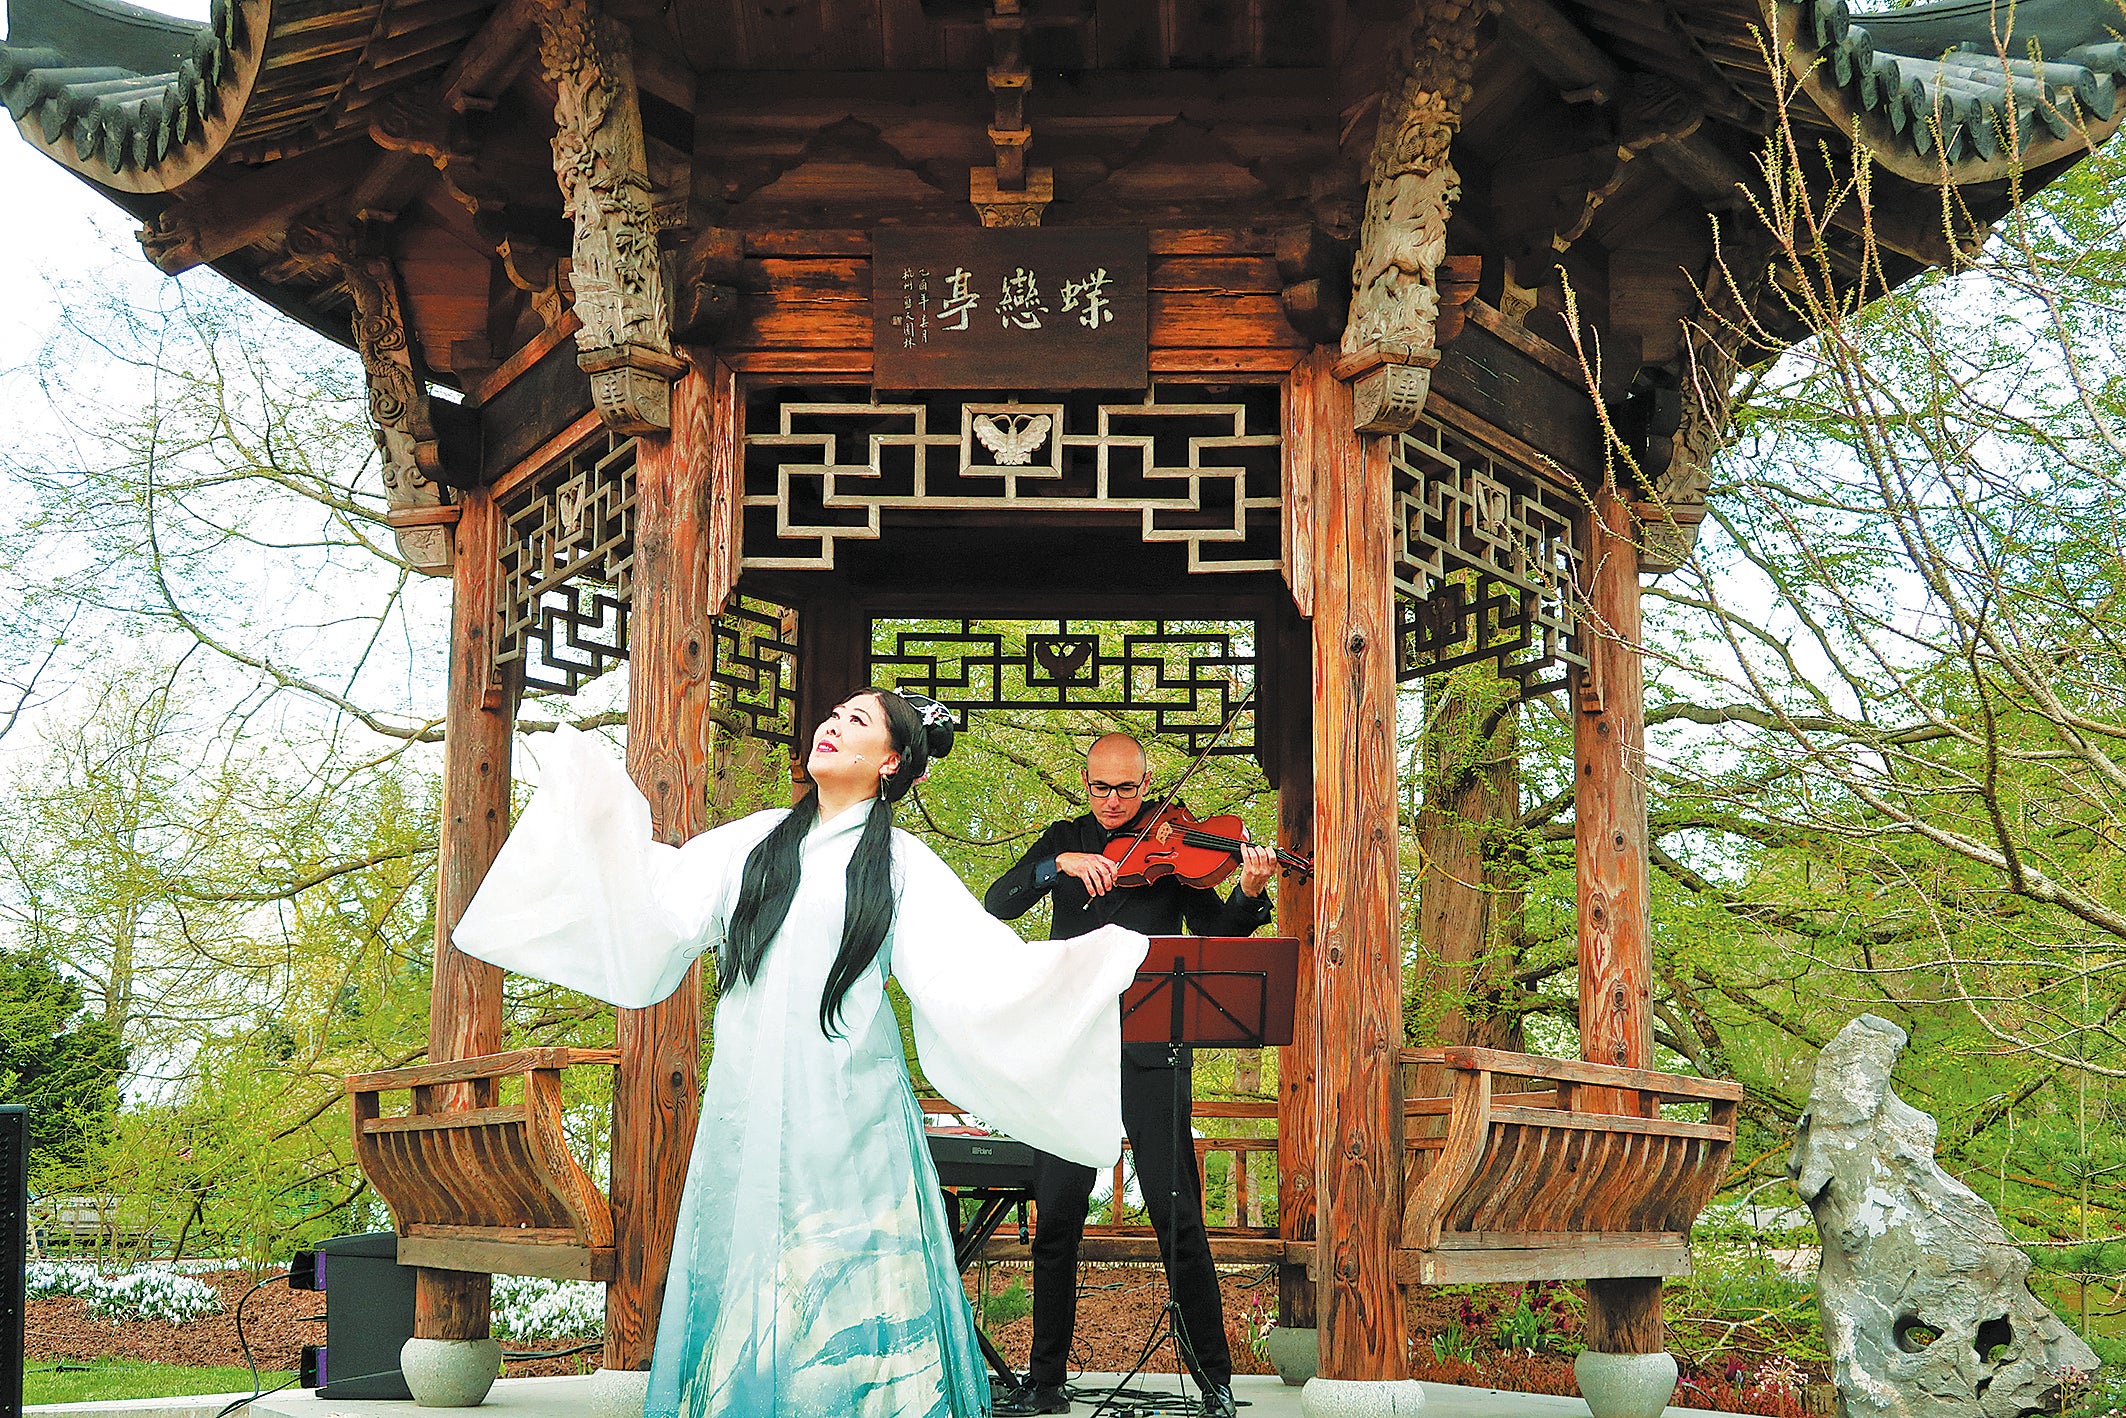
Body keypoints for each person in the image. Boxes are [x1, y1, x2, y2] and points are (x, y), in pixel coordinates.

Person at [451, 690, 1152, 1418]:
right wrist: (594, 812)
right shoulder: (755, 840)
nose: (832, 725)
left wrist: (1100, 962)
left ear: (889, 763)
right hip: (749, 1096)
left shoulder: (902, 864)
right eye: (833, 715)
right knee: (752, 1262)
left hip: (854, 1106)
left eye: (856, 723)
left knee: (849, 1275)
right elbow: (656, 902)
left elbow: (980, 973)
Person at [983, 733, 1275, 1418]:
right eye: (1100, 788)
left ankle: (1216, 1384)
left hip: (1153, 1046)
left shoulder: (1175, 852)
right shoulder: (1063, 839)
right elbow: (1000, 902)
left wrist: (1250, 891)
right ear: (1083, 783)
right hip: (1069, 1049)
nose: (1114, 802)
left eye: (1127, 788)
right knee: (1056, 1217)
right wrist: (1058, 864)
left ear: (1148, 784)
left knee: (1178, 1215)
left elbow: (1222, 938)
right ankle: (1046, 1382)